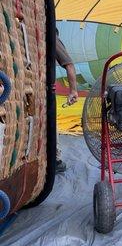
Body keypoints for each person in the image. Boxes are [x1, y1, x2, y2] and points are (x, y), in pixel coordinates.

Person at [55, 28, 78, 173]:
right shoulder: (49, 36)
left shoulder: (49, 37)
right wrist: (73, 91)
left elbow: (69, 65)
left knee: (49, 122)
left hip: (42, 92)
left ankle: (55, 158)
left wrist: (74, 90)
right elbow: (69, 64)